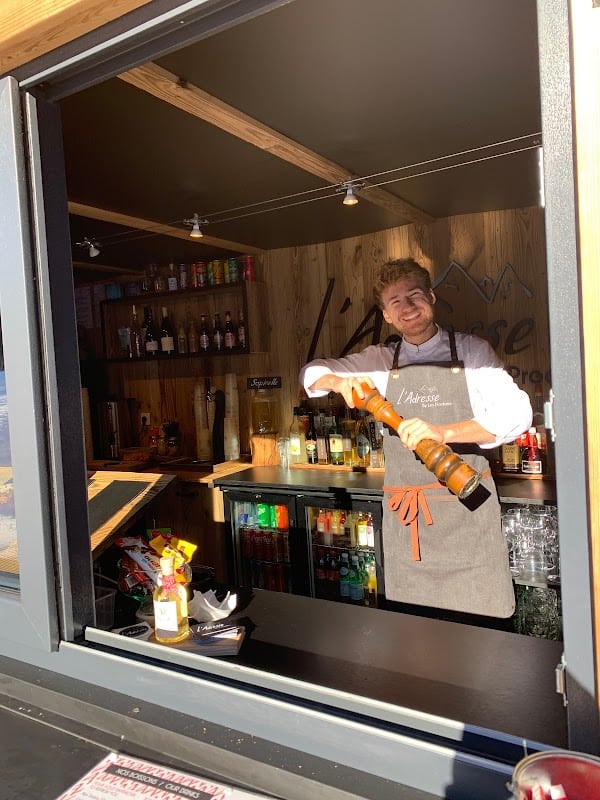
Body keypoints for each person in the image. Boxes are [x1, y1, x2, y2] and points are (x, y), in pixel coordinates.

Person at [299, 258, 532, 618]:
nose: (407, 307)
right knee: (414, 645)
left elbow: (518, 414)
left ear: (432, 298)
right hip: (409, 530)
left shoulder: (471, 352)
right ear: (387, 315)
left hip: (467, 517)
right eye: (395, 302)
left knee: (482, 644)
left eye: (414, 296)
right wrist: (338, 381)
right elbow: (311, 372)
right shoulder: (378, 361)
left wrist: (444, 432)